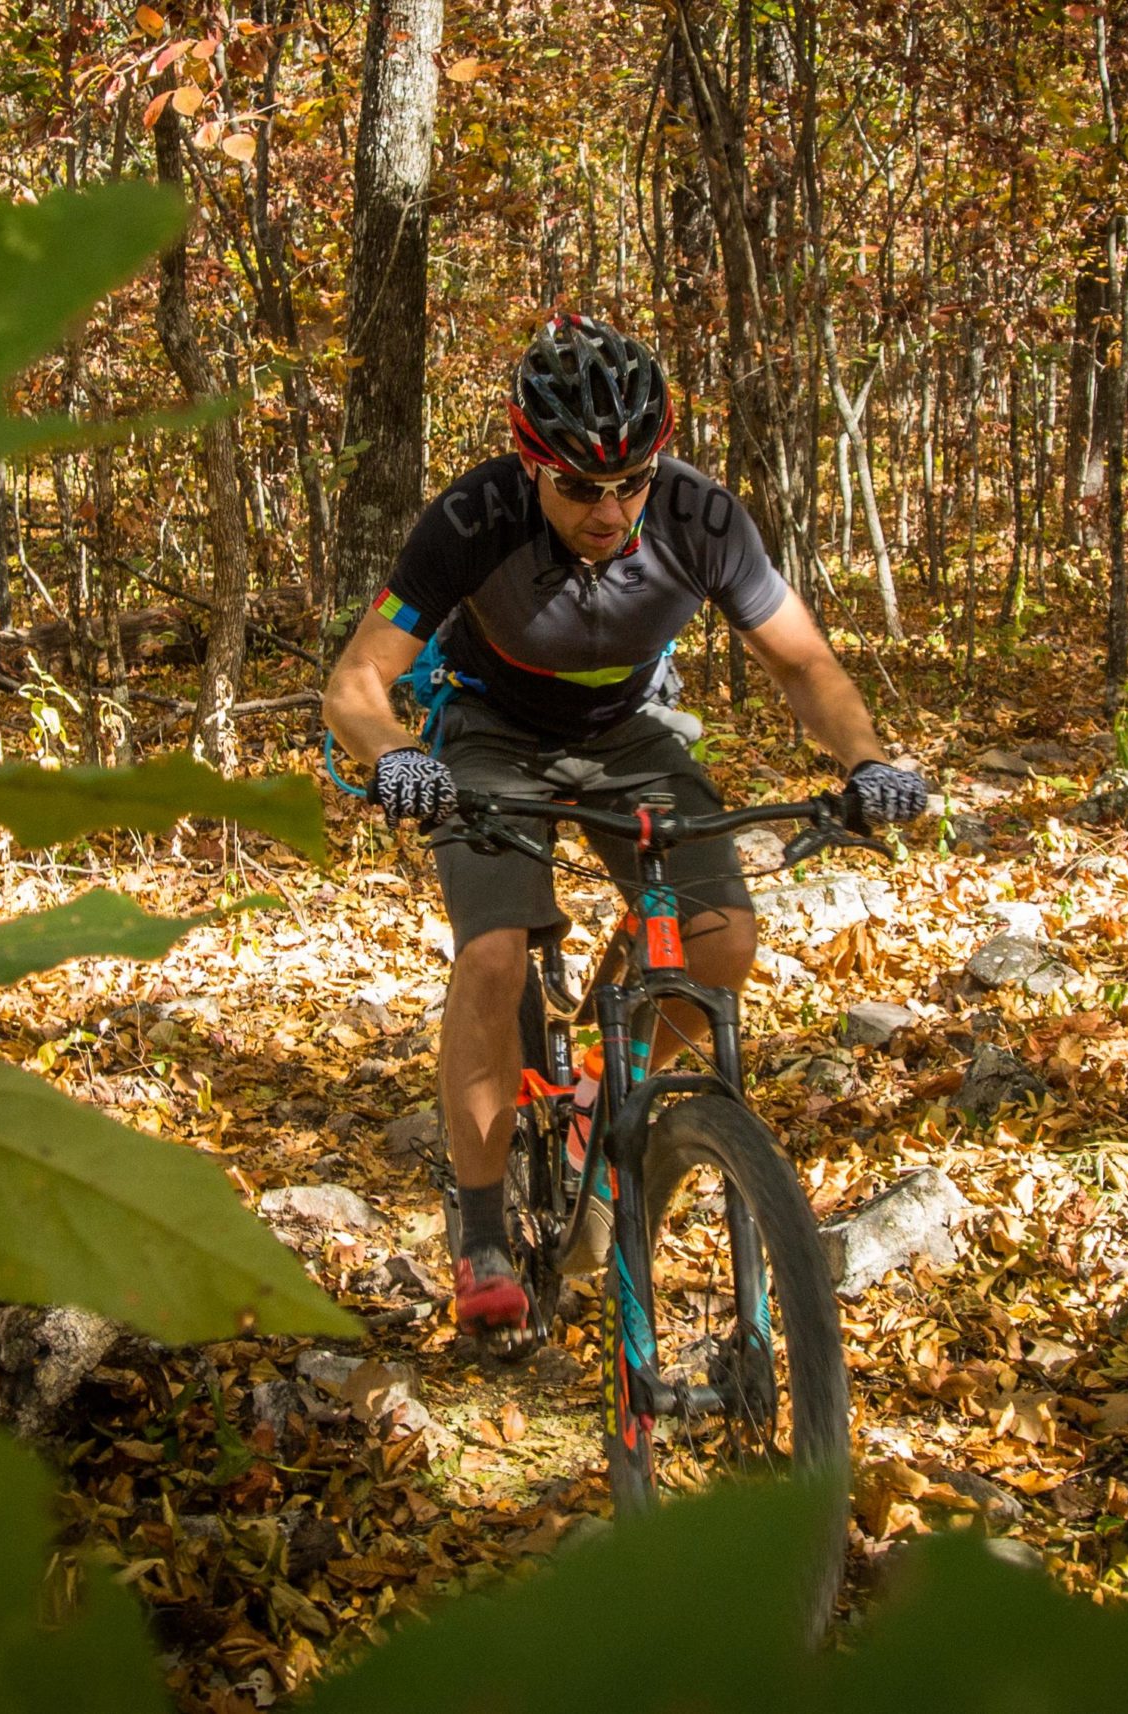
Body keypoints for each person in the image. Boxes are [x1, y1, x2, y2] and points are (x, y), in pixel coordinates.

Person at [323, 314, 926, 1338]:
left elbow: (802, 663)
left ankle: (603, 1092)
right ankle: (479, 1233)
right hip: (488, 734)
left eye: (629, 482)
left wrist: (865, 759)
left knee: (720, 938)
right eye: (577, 487)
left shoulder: (699, 515)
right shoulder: (473, 518)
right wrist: (398, 757)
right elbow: (355, 681)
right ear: (531, 463)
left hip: (630, 732)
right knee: (494, 955)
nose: (608, 511)